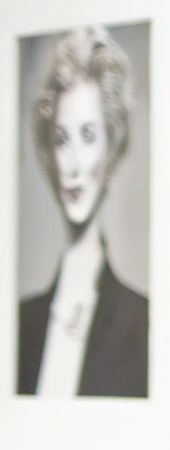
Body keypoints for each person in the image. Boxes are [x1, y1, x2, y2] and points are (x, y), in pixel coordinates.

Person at [17, 24, 148, 399]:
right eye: (62, 140)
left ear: (112, 145)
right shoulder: (20, 325)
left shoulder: (143, 323)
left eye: (88, 136)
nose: (72, 164)